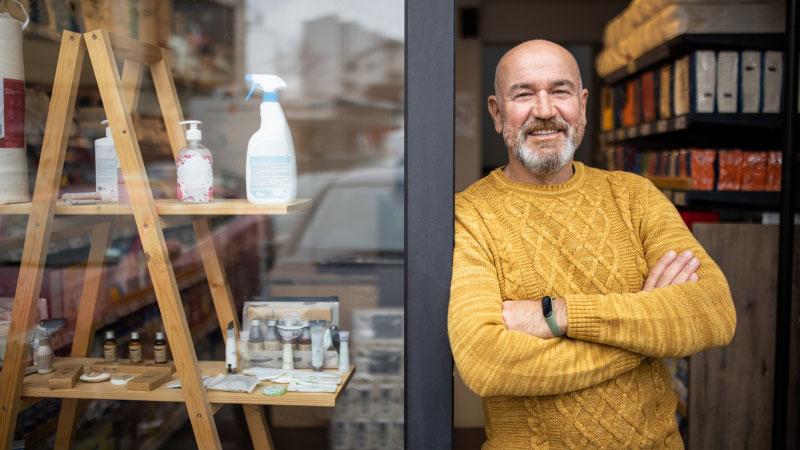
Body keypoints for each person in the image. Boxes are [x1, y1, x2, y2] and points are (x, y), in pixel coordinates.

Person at [448, 40, 736, 449]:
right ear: (497, 113)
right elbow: (486, 362)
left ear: (582, 105)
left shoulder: (634, 195)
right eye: (524, 94)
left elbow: (713, 310)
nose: (545, 110)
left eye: (560, 91)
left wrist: (558, 314)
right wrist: (645, 335)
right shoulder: (469, 214)